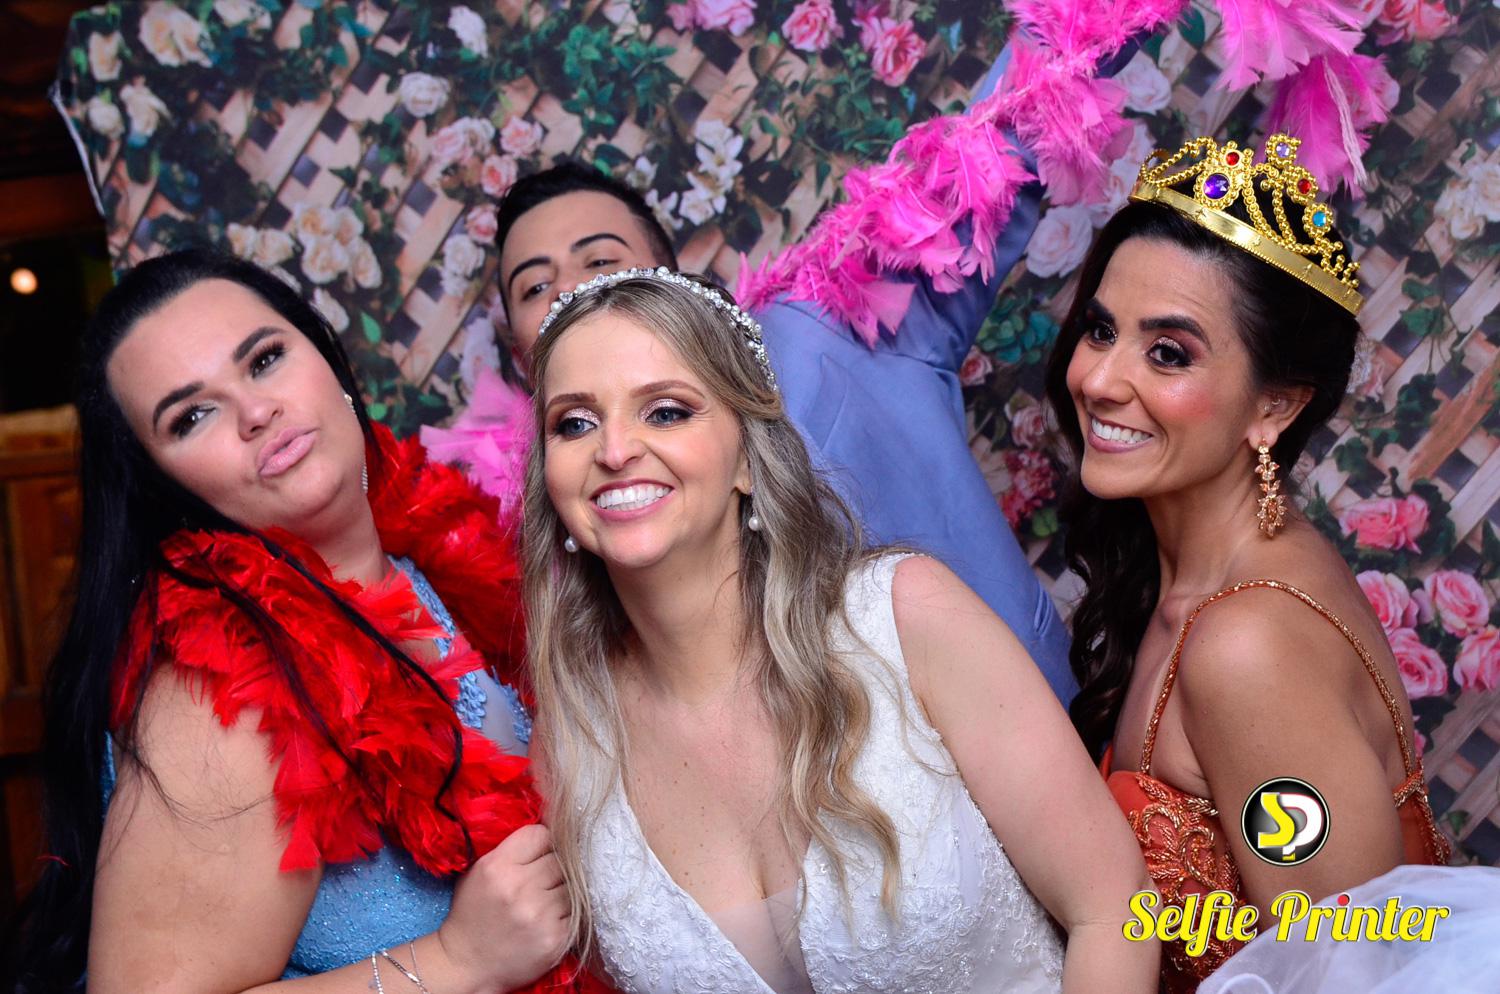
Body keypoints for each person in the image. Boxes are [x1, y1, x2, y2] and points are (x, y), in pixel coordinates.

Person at [521, 268, 1159, 994]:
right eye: (574, 423)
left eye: (666, 412)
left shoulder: (906, 617)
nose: (614, 450)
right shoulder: (571, 744)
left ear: (746, 456)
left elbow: (1115, 908)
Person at [3, 250, 607, 994]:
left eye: (264, 360)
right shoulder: (218, 693)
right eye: (192, 416)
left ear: (325, 357)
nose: (255, 412)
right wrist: (456, 962)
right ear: (163, 486)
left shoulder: (442, 568)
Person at [428, 48, 1080, 704]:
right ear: (520, 354)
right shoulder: (554, 514)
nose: (572, 292)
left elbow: (997, 144)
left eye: (599, 260)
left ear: (671, 278)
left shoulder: (828, 332)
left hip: (1023, 708)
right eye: (535, 286)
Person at [1042, 133, 1450, 993]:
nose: (1101, 380)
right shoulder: (1188, 578)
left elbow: (1350, 974)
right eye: (1101, 330)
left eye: (1168, 353)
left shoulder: (1249, 648)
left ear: (1275, 406)